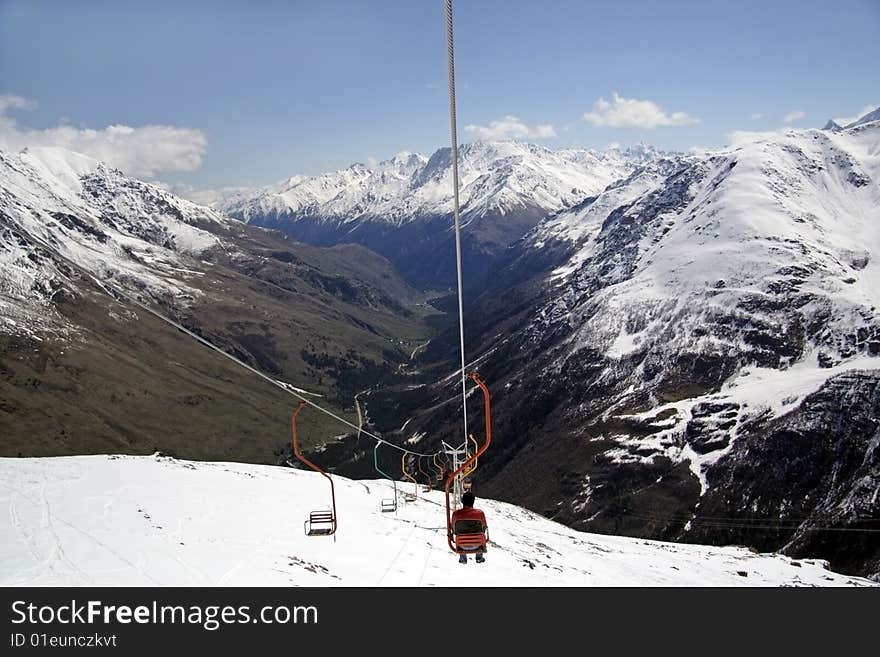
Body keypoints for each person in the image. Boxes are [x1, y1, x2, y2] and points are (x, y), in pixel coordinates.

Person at [450, 490, 487, 564]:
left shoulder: (456, 514)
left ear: (462, 501)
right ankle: (479, 556)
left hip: (461, 545)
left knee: (460, 533)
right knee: (481, 534)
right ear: (473, 501)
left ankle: (463, 557)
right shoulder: (480, 513)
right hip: (477, 544)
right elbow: (484, 527)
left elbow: (454, 530)